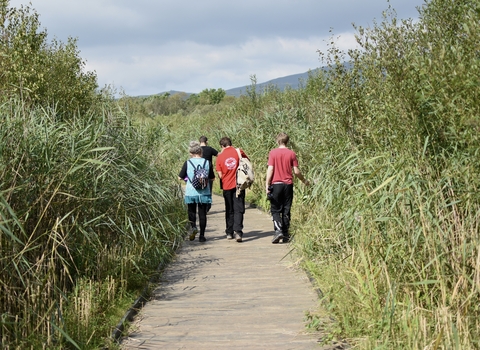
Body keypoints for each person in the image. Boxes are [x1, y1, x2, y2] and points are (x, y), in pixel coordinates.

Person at [265, 132, 310, 244]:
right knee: (286, 209)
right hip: (288, 185)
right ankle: (285, 234)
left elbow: (270, 169)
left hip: (276, 184)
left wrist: (267, 184)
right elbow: (296, 171)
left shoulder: (273, 153)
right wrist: (304, 180)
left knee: (275, 209)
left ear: (277, 141)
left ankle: (278, 230)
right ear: (287, 141)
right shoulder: (291, 153)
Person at [178, 141, 215, 242]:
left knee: (191, 212)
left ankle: (194, 227)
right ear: (201, 152)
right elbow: (212, 178)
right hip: (204, 193)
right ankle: (202, 236)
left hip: (191, 192)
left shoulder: (188, 163)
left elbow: (180, 177)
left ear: (191, 153)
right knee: (202, 214)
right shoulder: (207, 163)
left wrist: (187, 178)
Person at [215, 136, 249, 243]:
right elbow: (247, 162)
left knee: (229, 209)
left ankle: (229, 232)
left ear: (222, 146)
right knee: (238, 209)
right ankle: (238, 232)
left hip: (226, 186)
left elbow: (220, 175)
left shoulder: (220, 157)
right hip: (239, 185)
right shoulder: (239, 152)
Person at [199, 136, 218, 212]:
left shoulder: (197, 150)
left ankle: (201, 206)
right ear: (206, 141)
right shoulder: (210, 149)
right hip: (209, 172)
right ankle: (207, 206)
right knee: (208, 190)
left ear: (200, 141)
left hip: (199, 173)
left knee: (200, 189)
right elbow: (218, 154)